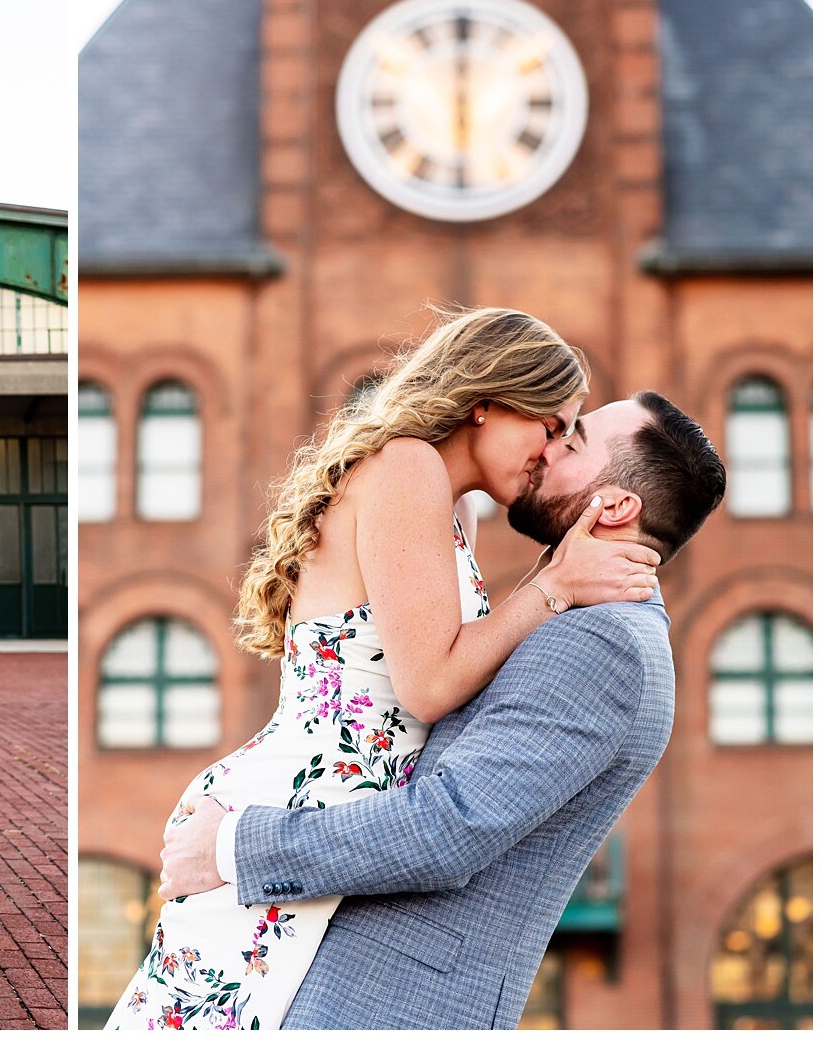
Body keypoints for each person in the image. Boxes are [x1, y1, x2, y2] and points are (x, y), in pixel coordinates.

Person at [103, 308, 662, 1030]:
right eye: (550, 426)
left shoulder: (446, 497)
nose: (552, 452)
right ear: (487, 401)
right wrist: (553, 588)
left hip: (326, 809)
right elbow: (430, 686)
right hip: (295, 804)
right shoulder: (408, 466)